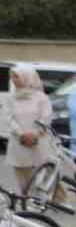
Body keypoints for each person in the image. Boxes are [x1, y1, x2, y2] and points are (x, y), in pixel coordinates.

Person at [6, 64, 56, 200]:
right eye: (12, 77)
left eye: (17, 76)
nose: (14, 80)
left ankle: (43, 202)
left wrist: (35, 134)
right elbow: (8, 118)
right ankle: (26, 202)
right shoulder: (11, 98)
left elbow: (46, 118)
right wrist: (21, 134)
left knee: (41, 174)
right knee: (22, 176)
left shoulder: (41, 98)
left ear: (27, 77)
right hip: (19, 144)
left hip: (38, 143)